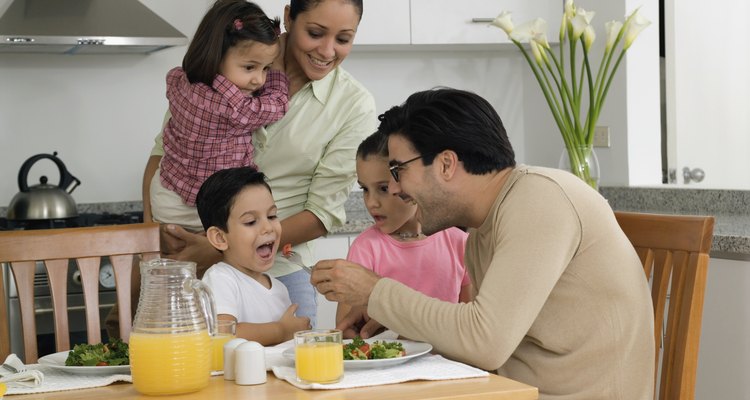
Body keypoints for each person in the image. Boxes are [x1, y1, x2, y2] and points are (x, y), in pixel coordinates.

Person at [311, 88, 655, 399]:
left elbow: (484, 342)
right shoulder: (485, 227)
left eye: (399, 170)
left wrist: (376, 292)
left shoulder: (540, 200)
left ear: (446, 164)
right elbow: (477, 334)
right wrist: (391, 314)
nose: (397, 188)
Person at [137, 0, 374, 327]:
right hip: (183, 258)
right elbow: (164, 152)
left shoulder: (353, 105)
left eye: (344, 39)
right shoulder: (227, 56)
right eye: (315, 32)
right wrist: (152, 237)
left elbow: (321, 214)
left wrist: (218, 248)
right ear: (289, 16)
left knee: (292, 366)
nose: (327, 50)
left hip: (276, 268)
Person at [152, 0, 289, 233]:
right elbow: (278, 105)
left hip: (167, 195)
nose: (259, 80)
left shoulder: (181, 79)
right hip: (201, 211)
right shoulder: (233, 106)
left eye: (266, 68)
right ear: (216, 56)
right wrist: (278, 74)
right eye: (249, 67)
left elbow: (174, 78)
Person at [336, 131, 472, 330]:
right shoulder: (365, 248)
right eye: (365, 189)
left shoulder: (460, 244)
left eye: (383, 188)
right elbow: (347, 329)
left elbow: (470, 325)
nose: (371, 203)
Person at [196, 167, 310, 345]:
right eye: (251, 222)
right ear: (220, 238)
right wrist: (282, 330)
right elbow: (222, 335)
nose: (268, 227)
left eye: (272, 216)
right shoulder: (220, 278)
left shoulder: (280, 289)